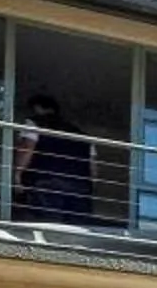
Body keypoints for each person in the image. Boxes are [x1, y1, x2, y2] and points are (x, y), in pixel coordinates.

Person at [13, 94, 97, 224]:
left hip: (47, 184)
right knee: (76, 231)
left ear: (37, 108)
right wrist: (90, 187)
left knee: (46, 227)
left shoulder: (33, 124)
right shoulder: (82, 135)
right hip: (80, 189)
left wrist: (17, 174)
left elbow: (27, 148)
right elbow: (93, 168)